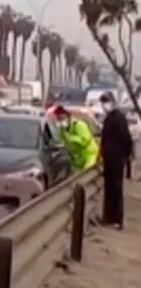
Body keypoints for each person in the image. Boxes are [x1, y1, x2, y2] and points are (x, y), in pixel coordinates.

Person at [99, 92, 132, 229]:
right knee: (109, 189)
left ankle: (117, 220)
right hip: (108, 160)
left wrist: (124, 157)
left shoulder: (118, 118)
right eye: (103, 102)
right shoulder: (108, 118)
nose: (104, 105)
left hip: (117, 160)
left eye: (106, 102)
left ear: (112, 102)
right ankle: (108, 217)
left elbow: (127, 140)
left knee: (116, 189)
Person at [53, 105, 100, 174]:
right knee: (76, 180)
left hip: (89, 155)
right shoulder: (63, 129)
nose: (60, 121)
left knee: (86, 175)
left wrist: (71, 138)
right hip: (76, 159)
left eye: (62, 118)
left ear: (68, 116)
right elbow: (65, 142)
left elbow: (85, 140)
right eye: (58, 119)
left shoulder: (79, 125)